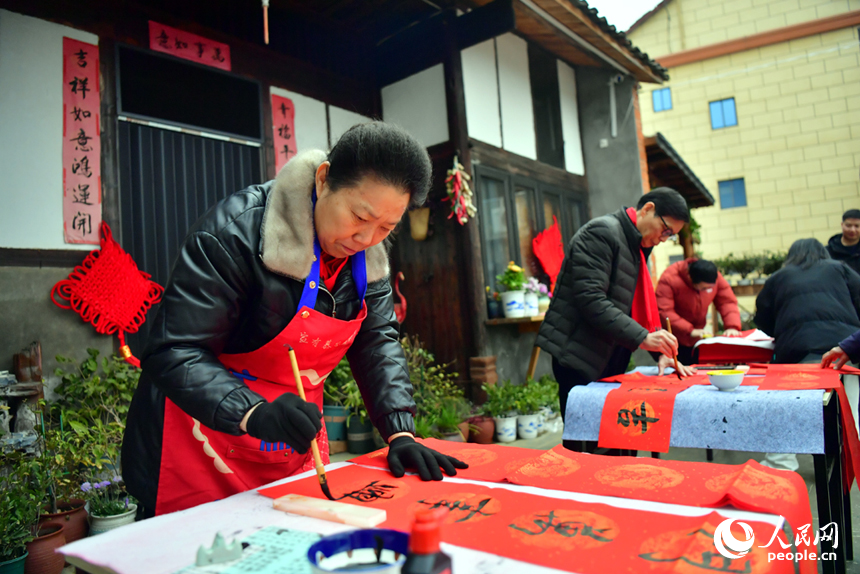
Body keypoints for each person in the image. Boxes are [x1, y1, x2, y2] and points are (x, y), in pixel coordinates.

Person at [123, 122, 466, 517]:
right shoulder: (235, 234)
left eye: (386, 227)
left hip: (288, 442)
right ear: (323, 181)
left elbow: (377, 342)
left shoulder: (369, 259)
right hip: (199, 438)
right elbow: (173, 349)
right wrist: (252, 412)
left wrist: (399, 430)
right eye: (358, 216)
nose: (367, 239)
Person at [536, 187, 696, 440]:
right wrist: (644, 338)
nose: (664, 239)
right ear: (648, 209)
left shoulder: (637, 245)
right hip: (579, 355)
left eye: (671, 236)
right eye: (666, 230)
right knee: (585, 442)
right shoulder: (601, 232)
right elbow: (592, 300)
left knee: (613, 438)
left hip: (609, 354)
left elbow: (634, 303)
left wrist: (659, 354)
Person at [755, 238, 860, 470]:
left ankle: (780, 463)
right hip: (846, 350)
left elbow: (762, 316)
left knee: (787, 409)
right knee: (852, 409)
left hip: (797, 353)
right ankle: (852, 457)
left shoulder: (778, 277)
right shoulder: (840, 268)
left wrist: (784, 333)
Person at [655, 258, 742, 365]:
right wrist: (690, 330)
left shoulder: (713, 276)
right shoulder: (670, 278)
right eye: (704, 288)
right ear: (692, 280)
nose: (707, 291)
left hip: (697, 339)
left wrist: (732, 326)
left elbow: (727, 302)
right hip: (673, 338)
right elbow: (664, 311)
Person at [826, 209, 860, 275]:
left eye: (857, 226)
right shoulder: (828, 252)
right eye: (848, 226)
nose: (852, 230)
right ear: (842, 225)